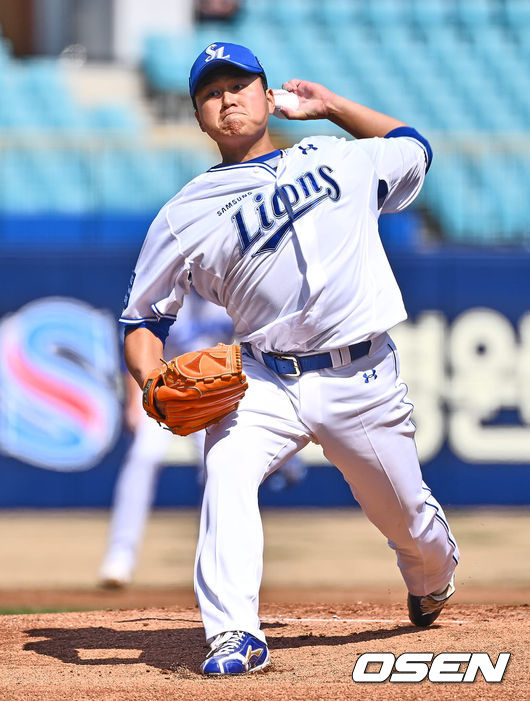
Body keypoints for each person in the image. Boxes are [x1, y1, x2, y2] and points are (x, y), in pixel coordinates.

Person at [119, 42, 460, 675]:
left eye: (239, 84)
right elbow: (143, 319)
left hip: (361, 376)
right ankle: (234, 635)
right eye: (211, 93)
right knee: (224, 470)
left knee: (412, 528)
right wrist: (150, 378)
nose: (228, 98)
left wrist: (331, 106)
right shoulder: (184, 213)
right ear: (198, 117)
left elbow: (414, 146)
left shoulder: (338, 158)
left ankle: (432, 575)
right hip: (263, 378)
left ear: (266, 92)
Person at [100, 289, 306, 587]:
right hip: (162, 391)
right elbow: (135, 339)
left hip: (210, 397)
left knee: (217, 468)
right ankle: (119, 558)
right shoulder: (165, 288)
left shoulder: (229, 288)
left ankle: (216, 566)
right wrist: (135, 398)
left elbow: (255, 349)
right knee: (144, 457)